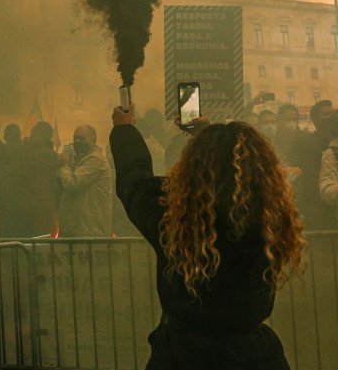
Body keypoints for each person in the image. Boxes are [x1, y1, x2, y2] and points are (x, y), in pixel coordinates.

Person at [110, 105, 304, 369]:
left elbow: (135, 183)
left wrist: (124, 131)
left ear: (192, 167)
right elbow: (227, 174)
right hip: (254, 355)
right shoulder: (269, 219)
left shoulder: (177, 222)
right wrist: (207, 135)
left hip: (184, 355)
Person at [4, 121, 61, 237]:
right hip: (33, 208)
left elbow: (7, 152)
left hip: (38, 209)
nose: (30, 135)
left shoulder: (41, 156)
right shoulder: (47, 155)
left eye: (34, 133)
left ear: (42, 136)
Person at [285, 100, 336, 229]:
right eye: (327, 114)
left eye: (333, 113)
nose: (332, 117)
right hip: (316, 208)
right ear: (315, 120)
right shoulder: (304, 144)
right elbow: (290, 170)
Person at [57, 124, 112, 237]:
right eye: (75, 138)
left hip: (90, 233)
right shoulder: (82, 161)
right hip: (81, 231)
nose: (77, 142)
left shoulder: (95, 160)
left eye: (81, 139)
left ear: (93, 141)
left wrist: (65, 166)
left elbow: (72, 184)